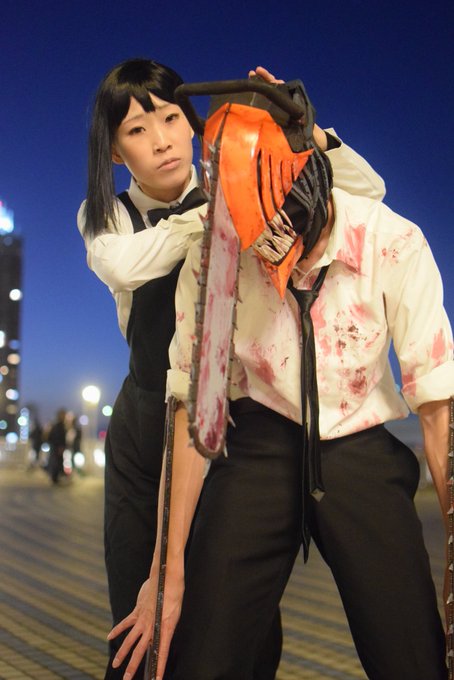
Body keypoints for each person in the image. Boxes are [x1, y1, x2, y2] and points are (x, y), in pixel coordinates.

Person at [108, 72, 453, 679]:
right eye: (248, 234)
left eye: (279, 230)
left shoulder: (392, 241)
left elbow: (438, 405)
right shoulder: (214, 252)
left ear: (310, 176)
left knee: (413, 654)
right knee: (201, 655)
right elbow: (193, 411)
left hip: (357, 446)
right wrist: (167, 572)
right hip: (257, 443)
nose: (264, 253)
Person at [46, 408, 67, 484]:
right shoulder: (59, 426)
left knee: (57, 462)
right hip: (57, 447)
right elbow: (58, 437)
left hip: (56, 447)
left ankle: (55, 478)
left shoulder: (57, 425)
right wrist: (60, 446)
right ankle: (55, 478)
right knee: (57, 462)